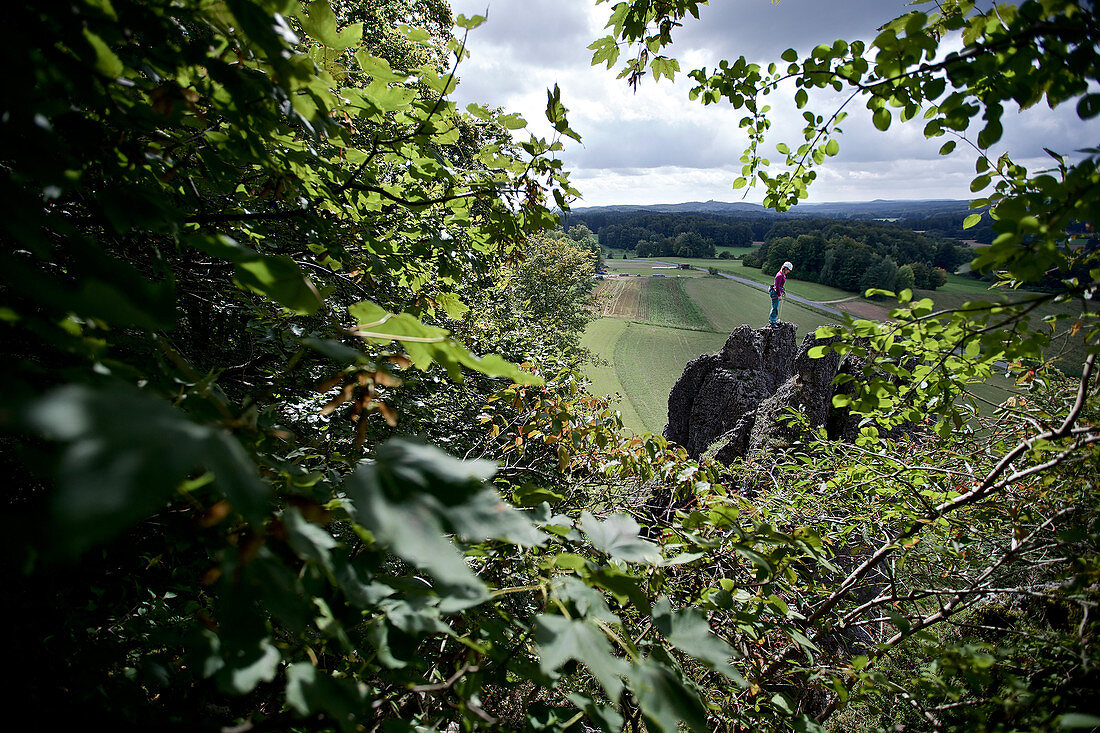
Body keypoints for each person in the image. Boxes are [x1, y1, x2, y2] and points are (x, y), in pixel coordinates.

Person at [769, 261, 793, 325]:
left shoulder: (782, 274)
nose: (789, 272)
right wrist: (779, 295)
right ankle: (772, 322)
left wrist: (782, 291)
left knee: (775, 307)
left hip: (776, 292)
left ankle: (773, 320)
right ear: (785, 268)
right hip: (775, 292)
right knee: (775, 308)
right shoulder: (779, 275)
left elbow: (780, 286)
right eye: (788, 270)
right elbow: (777, 286)